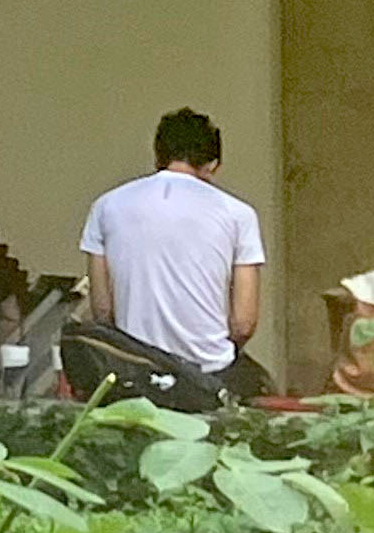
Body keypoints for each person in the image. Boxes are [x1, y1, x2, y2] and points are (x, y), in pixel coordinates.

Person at [81, 107, 267, 396]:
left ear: (158, 156)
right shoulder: (239, 215)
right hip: (208, 372)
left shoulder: (106, 207)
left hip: (136, 373)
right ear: (212, 164)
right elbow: (244, 323)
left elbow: (103, 311)